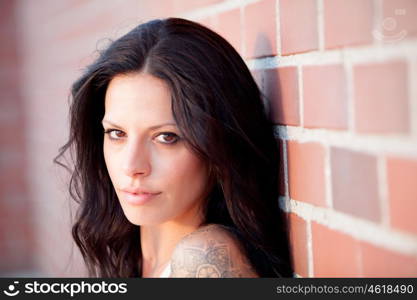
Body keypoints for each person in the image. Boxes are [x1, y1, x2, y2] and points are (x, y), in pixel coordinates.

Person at [55, 17, 293, 278]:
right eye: (116, 133)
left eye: (166, 137)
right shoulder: (132, 253)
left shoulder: (205, 259)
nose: (131, 166)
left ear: (218, 147)